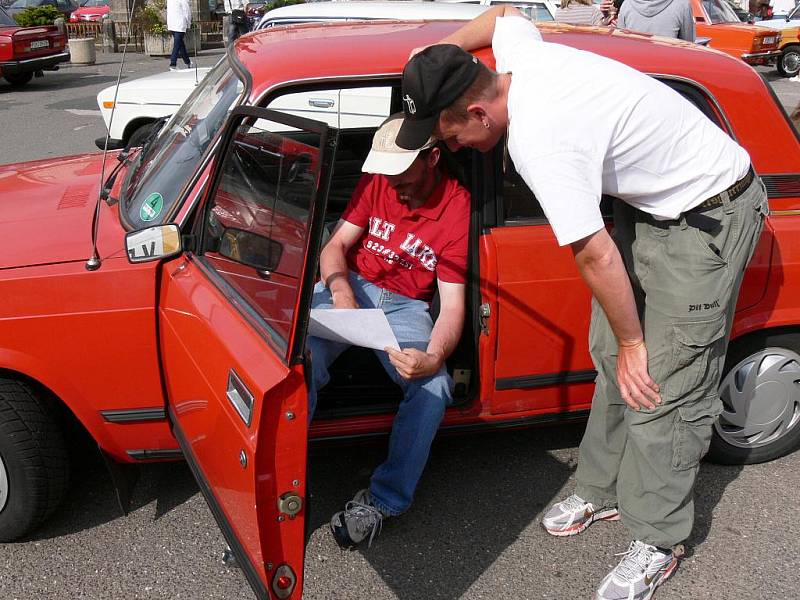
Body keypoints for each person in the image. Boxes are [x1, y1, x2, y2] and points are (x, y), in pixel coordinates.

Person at [398, 7, 766, 600]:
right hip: (652, 206)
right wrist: (432, 57)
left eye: (450, 138)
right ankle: (601, 488)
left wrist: (634, 341)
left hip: (708, 214)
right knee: (610, 356)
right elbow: (504, 15)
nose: (454, 149)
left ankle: (659, 537)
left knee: (663, 380)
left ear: (476, 111)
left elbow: (593, 254)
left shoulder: (539, 140)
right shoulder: (512, 66)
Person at [309, 113, 470, 549]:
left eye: (401, 173)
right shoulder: (378, 180)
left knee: (433, 387)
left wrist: (433, 357)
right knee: (293, 364)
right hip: (353, 284)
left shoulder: (456, 208)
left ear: (432, 157)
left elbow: (452, 306)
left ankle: (384, 500)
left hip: (406, 305)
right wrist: (341, 291)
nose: (392, 183)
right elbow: (336, 246)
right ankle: (275, 482)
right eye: (385, 172)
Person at [617, 0, 695, 41]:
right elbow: (689, 44)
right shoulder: (682, 4)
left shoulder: (627, 4)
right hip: (668, 68)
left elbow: (620, 43)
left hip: (635, 68)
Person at [167, 0, 193, 71]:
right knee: (177, 45)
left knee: (180, 45)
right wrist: (189, 23)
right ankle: (173, 64)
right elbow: (187, 11)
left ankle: (188, 62)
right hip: (179, 24)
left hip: (172, 24)